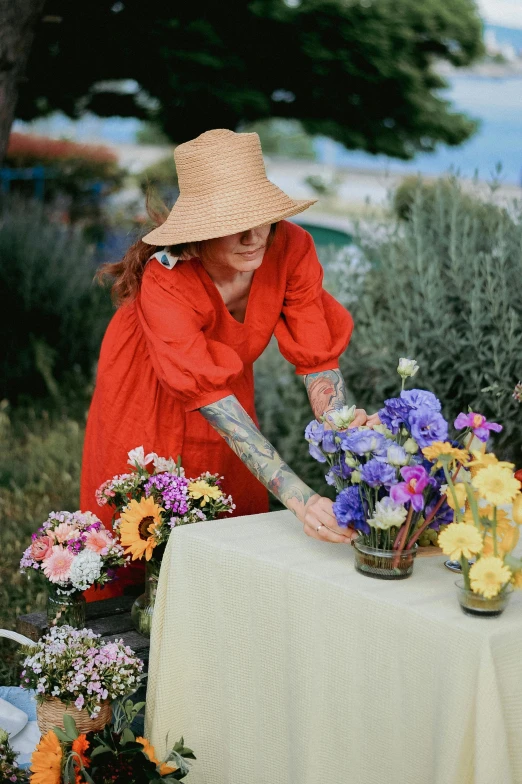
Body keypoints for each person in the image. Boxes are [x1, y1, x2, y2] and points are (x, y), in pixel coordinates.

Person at [81, 128, 369, 599]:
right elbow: (213, 401)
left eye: (261, 217)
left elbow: (317, 358)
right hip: (145, 384)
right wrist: (303, 500)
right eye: (234, 222)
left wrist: (346, 437)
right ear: (197, 234)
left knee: (230, 502)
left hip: (223, 381)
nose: (255, 235)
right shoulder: (167, 281)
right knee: (139, 517)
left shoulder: (290, 247)